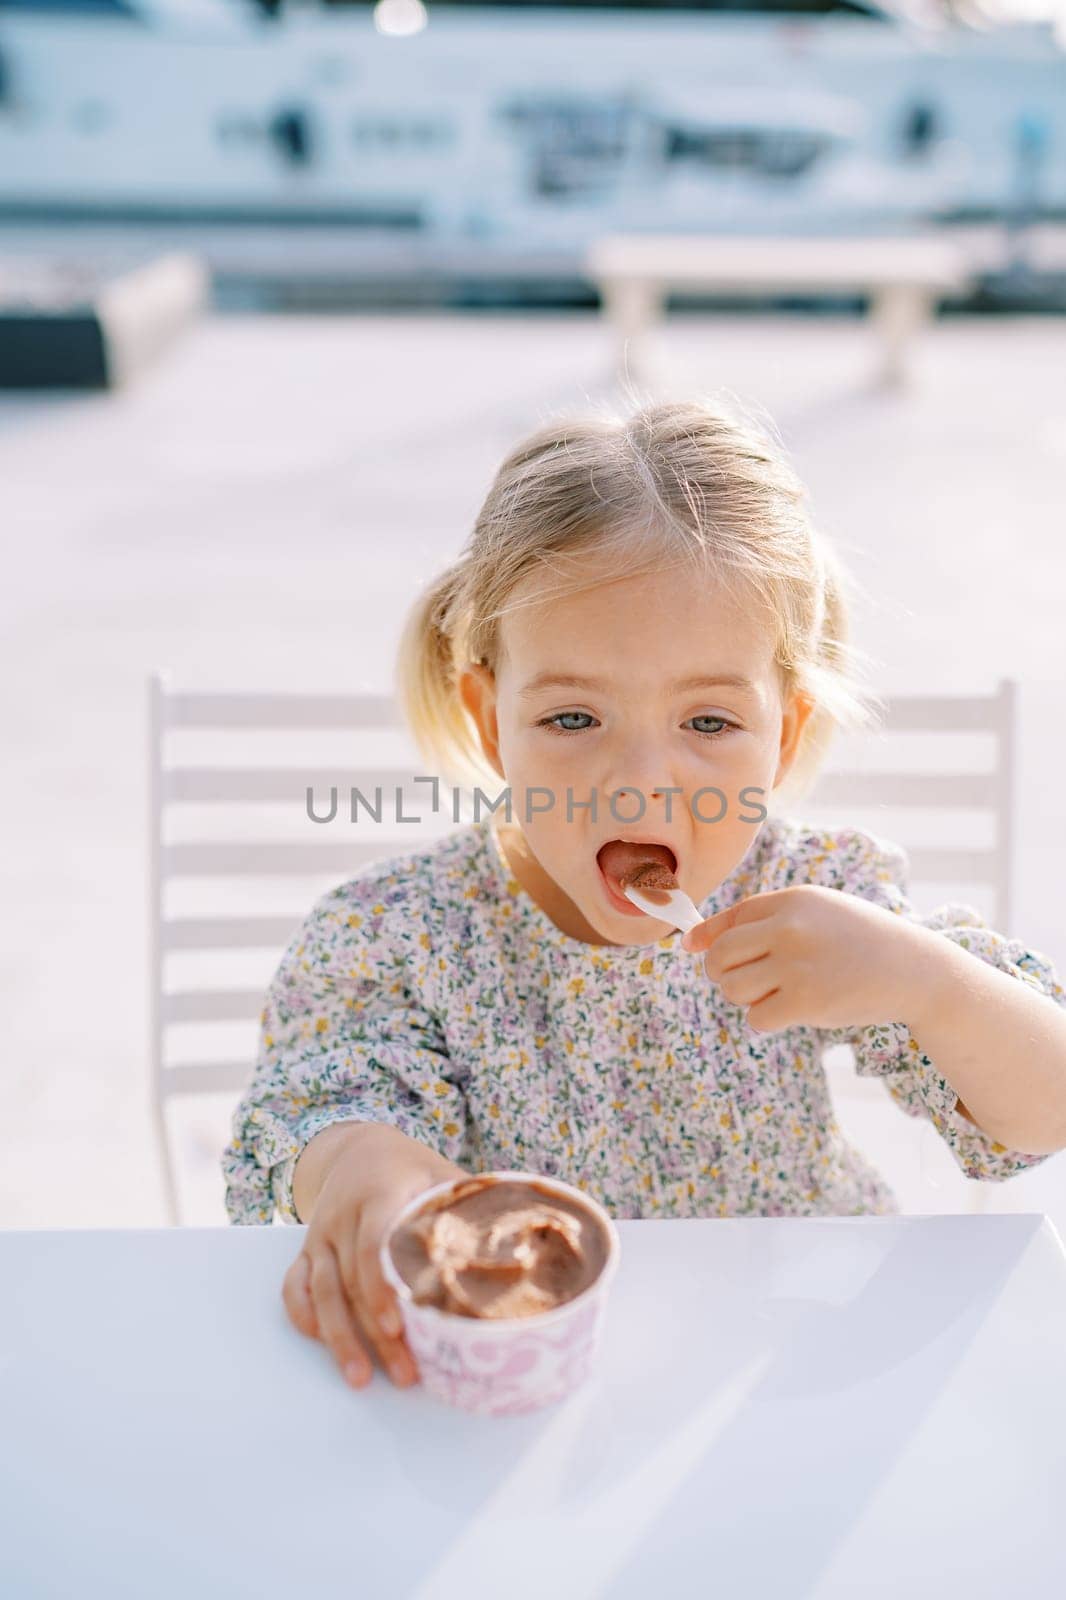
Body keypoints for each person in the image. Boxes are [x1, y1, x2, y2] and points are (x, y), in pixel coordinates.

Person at [221, 394, 1066, 1393]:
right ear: (492, 726)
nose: (642, 779)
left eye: (707, 723)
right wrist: (361, 1166)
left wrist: (928, 986)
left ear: (782, 739)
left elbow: (1040, 1110)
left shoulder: (819, 900)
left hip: (787, 1362)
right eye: (574, 717)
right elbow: (322, 1095)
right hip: (527, 1383)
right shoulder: (403, 934)